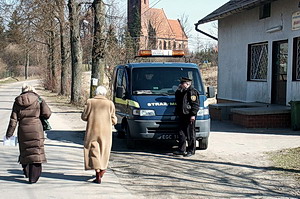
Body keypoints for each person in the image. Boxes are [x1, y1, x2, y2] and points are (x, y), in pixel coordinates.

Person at [6, 83, 52, 183]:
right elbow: (47, 114)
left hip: (22, 130)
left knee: (25, 151)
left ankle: (26, 172)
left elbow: (13, 120)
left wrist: (9, 134)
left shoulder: (17, 101)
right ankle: (33, 177)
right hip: (36, 129)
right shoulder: (38, 99)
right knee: (36, 152)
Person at [81, 86, 117, 184]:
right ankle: (102, 170)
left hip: (92, 130)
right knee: (104, 150)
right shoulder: (110, 104)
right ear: (105, 93)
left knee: (93, 149)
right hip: (106, 132)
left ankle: (97, 171)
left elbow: (84, 117)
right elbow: (114, 120)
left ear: (96, 93)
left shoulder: (90, 102)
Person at [173, 77, 200, 157]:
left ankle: (191, 150)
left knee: (190, 133)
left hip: (189, 115)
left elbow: (195, 105)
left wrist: (193, 115)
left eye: (182, 83)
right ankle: (181, 150)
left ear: (187, 84)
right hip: (182, 115)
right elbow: (177, 99)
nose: (181, 84)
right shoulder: (181, 91)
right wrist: (178, 89)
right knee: (181, 133)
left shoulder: (192, 92)